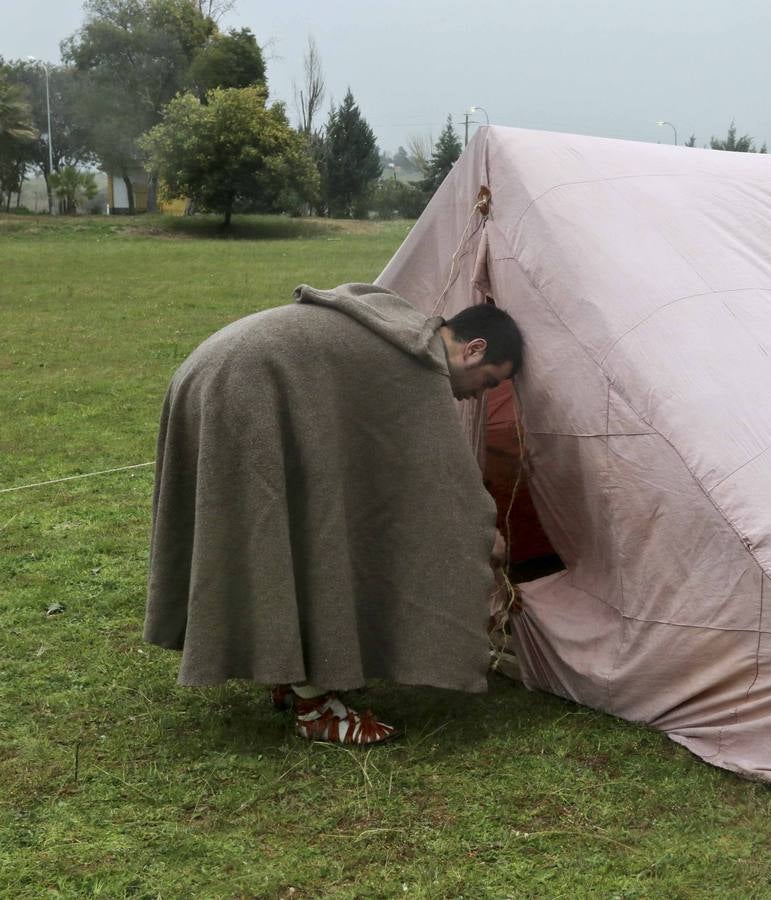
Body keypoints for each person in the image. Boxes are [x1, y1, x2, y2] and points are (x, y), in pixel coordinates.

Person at [144, 283, 524, 745]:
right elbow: (445, 486)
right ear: (474, 349)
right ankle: (315, 707)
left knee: (289, 525)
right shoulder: (421, 366)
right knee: (280, 530)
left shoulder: (399, 328)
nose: (478, 397)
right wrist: (486, 537)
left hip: (206, 370)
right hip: (246, 386)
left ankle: (289, 671)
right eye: (488, 382)